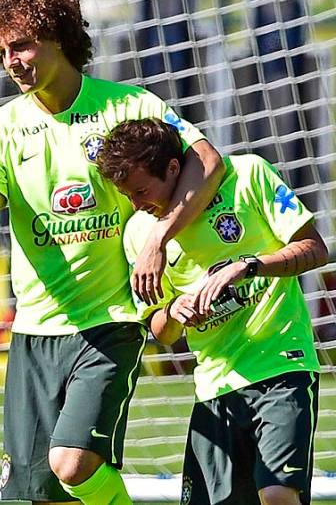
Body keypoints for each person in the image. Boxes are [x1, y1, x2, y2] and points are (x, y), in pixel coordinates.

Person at [0, 0, 226, 502]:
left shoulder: (129, 105)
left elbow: (207, 162)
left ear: (59, 37)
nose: (13, 61)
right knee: (35, 494)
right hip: (32, 330)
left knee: (73, 466)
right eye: (3, 51)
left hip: (112, 322)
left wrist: (159, 238)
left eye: (23, 45)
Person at [98, 118, 328, 505]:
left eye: (141, 191)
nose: (136, 204)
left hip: (281, 364)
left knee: (277, 494)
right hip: (214, 386)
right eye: (128, 196)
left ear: (174, 169)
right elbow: (160, 329)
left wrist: (249, 266)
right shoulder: (139, 233)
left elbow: (315, 249)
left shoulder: (248, 175)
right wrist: (176, 310)